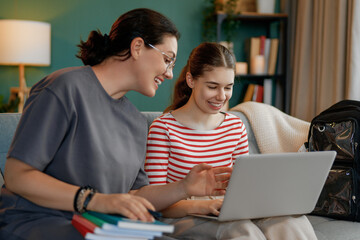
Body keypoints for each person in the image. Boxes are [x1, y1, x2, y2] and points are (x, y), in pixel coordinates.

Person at [0, 9, 232, 240]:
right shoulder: (64, 88)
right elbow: (17, 174)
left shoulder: (135, 121)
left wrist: (184, 187)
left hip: (103, 226)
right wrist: (93, 200)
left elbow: (135, 194)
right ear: (138, 47)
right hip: (38, 222)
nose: (170, 73)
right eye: (167, 59)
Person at [145, 42, 318, 239]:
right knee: (240, 230)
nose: (221, 96)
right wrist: (203, 205)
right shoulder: (163, 128)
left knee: (290, 221)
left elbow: (244, 186)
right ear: (191, 80)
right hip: (181, 214)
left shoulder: (235, 126)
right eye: (212, 86)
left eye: (228, 87)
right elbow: (154, 202)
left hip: (226, 207)